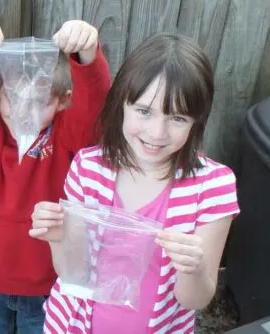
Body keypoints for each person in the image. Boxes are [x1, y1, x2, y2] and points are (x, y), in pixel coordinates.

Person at [30, 33, 240, 334]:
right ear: (122, 104)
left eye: (178, 118)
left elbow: (194, 299)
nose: (157, 133)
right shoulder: (88, 168)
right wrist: (56, 237)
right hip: (70, 326)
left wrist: (193, 268)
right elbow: (71, 271)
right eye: (144, 111)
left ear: (197, 121)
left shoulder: (213, 187)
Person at [0, 14, 111, 333]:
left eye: (39, 102)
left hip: (45, 287)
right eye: (14, 97)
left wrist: (87, 54)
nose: (23, 112)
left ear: (63, 101)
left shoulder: (69, 137)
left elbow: (95, 107)